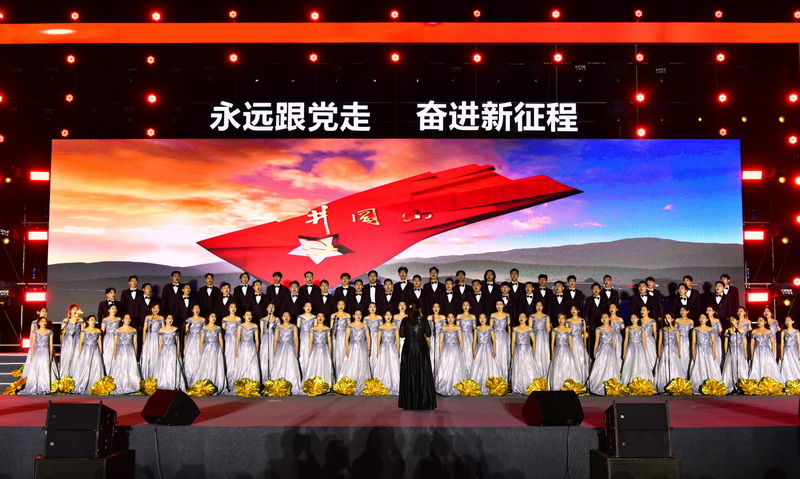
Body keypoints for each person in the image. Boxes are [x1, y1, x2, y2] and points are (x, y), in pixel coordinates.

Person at [398, 302, 436, 410]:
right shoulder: (423, 320)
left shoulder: (405, 320)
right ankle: (423, 401)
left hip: (409, 348)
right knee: (422, 373)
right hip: (420, 348)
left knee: (409, 373)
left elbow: (402, 334)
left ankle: (410, 402)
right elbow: (428, 334)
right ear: (419, 309)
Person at [19, 316, 56, 395]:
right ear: (38, 323)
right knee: (36, 368)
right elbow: (33, 344)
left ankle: (44, 386)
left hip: (45, 351)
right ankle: (34, 386)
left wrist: (51, 356)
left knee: (44, 368)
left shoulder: (49, 332)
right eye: (42, 321)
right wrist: (31, 355)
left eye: (45, 321)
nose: (44, 323)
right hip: (37, 352)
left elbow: (51, 344)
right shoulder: (35, 332)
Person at [689, 314, 722, 394]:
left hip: (708, 350)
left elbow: (713, 342)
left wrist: (714, 353)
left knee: (710, 366)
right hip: (699, 350)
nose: (701, 319)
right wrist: (693, 353)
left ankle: (711, 385)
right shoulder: (695, 329)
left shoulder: (710, 329)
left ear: (707, 319)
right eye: (700, 317)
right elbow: (693, 342)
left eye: (703, 318)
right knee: (699, 366)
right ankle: (698, 385)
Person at [435, 312, 466, 396]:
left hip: (456, 350)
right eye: (448, 317)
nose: (450, 319)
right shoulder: (443, 328)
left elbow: (461, 341)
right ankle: (444, 385)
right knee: (446, 367)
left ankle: (456, 386)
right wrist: (440, 352)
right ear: (446, 319)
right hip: (446, 349)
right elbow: (441, 341)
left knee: (456, 368)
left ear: (454, 318)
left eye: (452, 317)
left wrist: (461, 352)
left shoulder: (458, 328)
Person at [341, 309, 372, 395]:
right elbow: (346, 339)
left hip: (362, 347)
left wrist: (369, 349)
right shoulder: (350, 325)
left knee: (362, 365)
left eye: (360, 314)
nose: (358, 316)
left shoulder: (365, 325)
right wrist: (346, 350)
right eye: (356, 314)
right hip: (353, 347)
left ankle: (362, 384)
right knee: (351, 364)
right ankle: (351, 384)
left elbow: (368, 338)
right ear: (353, 316)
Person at [587, 313, 619, 395]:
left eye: (606, 317)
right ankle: (598, 385)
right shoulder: (599, 329)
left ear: (609, 318)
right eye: (602, 317)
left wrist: (615, 352)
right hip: (602, 350)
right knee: (600, 366)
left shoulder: (613, 329)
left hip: (610, 350)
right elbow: (596, 341)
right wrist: (594, 352)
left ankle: (610, 386)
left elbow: (613, 341)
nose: (604, 319)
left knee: (610, 367)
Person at [110, 314, 141, 395]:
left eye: (129, 318)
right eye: (126, 318)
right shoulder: (118, 330)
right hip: (120, 351)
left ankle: (132, 385)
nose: (128, 320)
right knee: (121, 367)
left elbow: (135, 343)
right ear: (122, 320)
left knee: (130, 367)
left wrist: (135, 353)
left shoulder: (133, 330)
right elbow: (115, 343)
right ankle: (120, 384)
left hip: (130, 350)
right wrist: (114, 353)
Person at [470, 313, 501, 395]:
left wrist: (494, 351)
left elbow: (494, 340)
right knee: (479, 366)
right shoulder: (477, 329)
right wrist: (474, 351)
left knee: (489, 365)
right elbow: (474, 341)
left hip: (488, 348)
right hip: (479, 348)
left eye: (483, 318)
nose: (482, 319)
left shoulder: (490, 328)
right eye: (480, 318)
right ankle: (478, 385)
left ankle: (491, 385)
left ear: (486, 319)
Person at [272, 312, 302, 394]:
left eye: (288, 316)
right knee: (280, 364)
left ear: (290, 318)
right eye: (284, 316)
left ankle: (292, 385)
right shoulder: (278, 327)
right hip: (281, 347)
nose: (286, 317)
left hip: (290, 347)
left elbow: (296, 339)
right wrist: (274, 350)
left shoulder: (294, 327)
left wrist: (297, 350)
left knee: (291, 364)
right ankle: (279, 385)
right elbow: (275, 340)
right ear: (282, 317)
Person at [74, 315, 104, 394]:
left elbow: (99, 342)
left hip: (95, 350)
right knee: (86, 366)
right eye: (91, 320)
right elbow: (81, 342)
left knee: (96, 366)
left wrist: (101, 352)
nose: (93, 321)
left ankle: (95, 385)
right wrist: (79, 352)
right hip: (86, 350)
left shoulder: (98, 331)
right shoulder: (84, 330)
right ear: (88, 321)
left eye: (94, 320)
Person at [197, 313, 226, 394]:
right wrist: (201, 351)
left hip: (216, 348)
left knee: (216, 365)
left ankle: (216, 383)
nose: (214, 318)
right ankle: (206, 383)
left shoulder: (218, 328)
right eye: (212, 316)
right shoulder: (204, 328)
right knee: (207, 365)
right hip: (207, 348)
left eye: (215, 317)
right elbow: (201, 341)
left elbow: (221, 340)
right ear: (208, 318)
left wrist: (222, 350)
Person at [548, 314, 578, 391]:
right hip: (558, 350)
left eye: (562, 318)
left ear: (565, 320)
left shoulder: (569, 330)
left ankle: (567, 385)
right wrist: (552, 353)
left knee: (567, 366)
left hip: (567, 350)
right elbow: (552, 343)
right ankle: (557, 385)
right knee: (558, 367)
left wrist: (572, 353)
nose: (561, 320)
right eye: (559, 318)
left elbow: (570, 342)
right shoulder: (554, 330)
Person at [155, 314, 185, 391]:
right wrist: (159, 353)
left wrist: (178, 352)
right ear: (165, 320)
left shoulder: (175, 329)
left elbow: (178, 342)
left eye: (171, 318)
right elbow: (160, 343)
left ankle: (173, 383)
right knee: (164, 366)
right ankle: (164, 383)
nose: (170, 320)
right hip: (164, 349)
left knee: (172, 366)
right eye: (168, 318)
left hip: (172, 349)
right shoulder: (161, 330)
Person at [654, 313, 682, 393]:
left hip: (673, 349)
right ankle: (663, 384)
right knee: (664, 365)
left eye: (668, 318)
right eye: (665, 318)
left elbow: (678, 341)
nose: (666, 319)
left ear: (672, 319)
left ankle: (674, 384)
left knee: (673, 365)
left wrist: (679, 351)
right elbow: (660, 341)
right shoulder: (662, 330)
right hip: (665, 349)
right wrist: (659, 351)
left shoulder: (676, 330)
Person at [621, 313, 653, 384]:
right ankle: (629, 381)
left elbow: (644, 340)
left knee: (640, 364)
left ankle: (640, 380)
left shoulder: (642, 328)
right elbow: (626, 340)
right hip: (630, 348)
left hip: (639, 348)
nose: (633, 319)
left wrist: (644, 350)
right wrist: (624, 351)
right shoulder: (628, 328)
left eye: (635, 318)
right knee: (630, 364)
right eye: (632, 318)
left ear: (638, 319)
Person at [374, 311, 401, 395]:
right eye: (386, 315)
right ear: (384, 316)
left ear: (392, 316)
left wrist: (398, 350)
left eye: (390, 315)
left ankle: (395, 385)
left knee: (393, 365)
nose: (388, 316)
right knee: (383, 365)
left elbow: (398, 340)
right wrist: (378, 351)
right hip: (383, 348)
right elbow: (378, 340)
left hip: (392, 348)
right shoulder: (381, 327)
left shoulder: (395, 326)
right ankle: (383, 385)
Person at [510, 313, 538, 395]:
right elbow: (513, 341)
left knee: (528, 366)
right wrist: (512, 351)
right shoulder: (515, 329)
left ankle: (529, 386)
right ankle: (518, 387)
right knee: (518, 367)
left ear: (526, 319)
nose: (521, 318)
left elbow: (534, 341)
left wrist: (533, 351)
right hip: (518, 350)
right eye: (520, 316)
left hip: (527, 350)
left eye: (523, 317)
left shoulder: (529, 328)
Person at [748, 316, 782, 382]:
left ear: (765, 322)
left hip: (766, 351)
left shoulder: (769, 331)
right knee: (757, 365)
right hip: (757, 351)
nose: (759, 322)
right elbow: (752, 344)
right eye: (758, 320)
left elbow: (773, 343)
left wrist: (773, 353)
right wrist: (752, 354)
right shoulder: (754, 331)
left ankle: (767, 381)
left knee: (767, 365)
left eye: (761, 320)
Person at [722, 316, 748, 392]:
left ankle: (741, 385)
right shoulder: (728, 330)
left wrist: (745, 352)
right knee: (730, 366)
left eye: (733, 320)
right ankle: (730, 386)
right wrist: (726, 352)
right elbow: (726, 342)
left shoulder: (741, 330)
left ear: (737, 321)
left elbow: (744, 342)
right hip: (731, 350)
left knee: (740, 365)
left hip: (739, 350)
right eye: (730, 320)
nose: (732, 321)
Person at [234, 311, 261, 383]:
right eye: (247, 315)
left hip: (251, 346)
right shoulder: (240, 326)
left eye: (250, 315)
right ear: (244, 316)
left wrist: (257, 349)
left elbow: (257, 339)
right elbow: (238, 338)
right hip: (242, 346)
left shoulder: (255, 326)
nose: (249, 316)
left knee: (252, 363)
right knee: (243, 363)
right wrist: (236, 349)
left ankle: (252, 381)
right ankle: (242, 382)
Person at [59, 304, 84, 379]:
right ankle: (65, 376)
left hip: (77, 340)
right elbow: (62, 333)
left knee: (76, 357)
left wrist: (82, 342)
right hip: (68, 340)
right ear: (70, 310)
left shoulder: (80, 320)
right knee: (67, 357)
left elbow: (83, 332)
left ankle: (75, 376)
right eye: (73, 309)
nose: (75, 311)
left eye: (76, 309)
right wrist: (62, 343)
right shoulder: (66, 320)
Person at [140, 304, 164, 380]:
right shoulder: (148, 317)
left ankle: (156, 376)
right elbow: (144, 329)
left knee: (156, 354)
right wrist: (144, 341)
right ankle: (147, 376)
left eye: (157, 308)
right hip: (149, 337)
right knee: (148, 355)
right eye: (154, 308)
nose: (156, 309)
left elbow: (163, 330)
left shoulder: (161, 318)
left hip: (157, 337)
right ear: (151, 309)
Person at [183, 305, 206, 386]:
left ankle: (198, 379)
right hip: (191, 340)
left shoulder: (203, 319)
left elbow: (204, 331)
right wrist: (185, 344)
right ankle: (189, 380)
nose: (197, 310)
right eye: (195, 308)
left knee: (199, 357)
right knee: (190, 359)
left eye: (198, 308)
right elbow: (186, 333)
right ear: (192, 310)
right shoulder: (189, 320)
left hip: (200, 339)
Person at [566, 305, 590, 384]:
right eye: (572, 309)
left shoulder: (582, 320)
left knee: (580, 358)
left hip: (579, 342)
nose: (573, 311)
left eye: (575, 309)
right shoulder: (568, 321)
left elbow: (584, 332)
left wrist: (585, 343)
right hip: (571, 341)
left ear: (578, 311)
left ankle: (581, 379)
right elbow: (566, 332)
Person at [222, 302, 242, 391]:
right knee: (227, 358)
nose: (233, 309)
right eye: (231, 307)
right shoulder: (225, 319)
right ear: (228, 308)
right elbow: (222, 332)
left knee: (235, 358)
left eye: (234, 307)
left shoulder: (238, 318)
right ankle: (227, 381)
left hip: (235, 339)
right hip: (227, 340)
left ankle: (234, 380)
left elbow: (239, 332)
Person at [490, 300, 511, 381]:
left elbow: (509, 327)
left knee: (504, 355)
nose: (498, 306)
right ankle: (495, 377)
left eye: (500, 304)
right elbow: (490, 328)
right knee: (496, 354)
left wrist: (509, 338)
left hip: (504, 336)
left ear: (503, 305)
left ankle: (504, 378)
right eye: (497, 304)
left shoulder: (507, 315)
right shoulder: (493, 315)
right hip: (495, 336)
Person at [530, 301, 552, 375]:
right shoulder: (531, 316)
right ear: (535, 306)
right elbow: (529, 329)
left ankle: (545, 374)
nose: (539, 307)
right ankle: (536, 373)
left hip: (544, 337)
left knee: (544, 353)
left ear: (543, 307)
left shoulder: (546, 316)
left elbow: (548, 330)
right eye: (537, 305)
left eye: (540, 305)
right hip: (535, 336)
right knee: (536, 352)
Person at [331, 300, 351, 380]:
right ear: (337, 306)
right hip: (336, 337)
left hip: (344, 336)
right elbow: (331, 328)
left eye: (343, 304)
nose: (341, 306)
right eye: (339, 304)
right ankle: (336, 375)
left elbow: (349, 327)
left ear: (345, 306)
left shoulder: (347, 315)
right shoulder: (333, 315)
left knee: (344, 352)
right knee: (336, 354)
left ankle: (344, 375)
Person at [259, 303, 279, 385]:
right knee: (264, 357)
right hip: (265, 339)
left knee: (273, 357)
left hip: (274, 339)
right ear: (267, 309)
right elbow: (261, 332)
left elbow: (278, 331)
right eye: (269, 307)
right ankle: (264, 379)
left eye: (273, 307)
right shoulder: (263, 320)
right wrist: (260, 343)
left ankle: (273, 379)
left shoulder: (277, 319)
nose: (271, 309)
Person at [100, 305, 121, 373]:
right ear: (108, 310)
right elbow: (102, 331)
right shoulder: (105, 319)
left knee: (117, 353)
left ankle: (116, 372)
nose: (114, 310)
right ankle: (107, 371)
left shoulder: (119, 319)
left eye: (115, 308)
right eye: (112, 308)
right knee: (108, 354)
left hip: (117, 337)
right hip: (108, 338)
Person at [297, 302, 317, 372]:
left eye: (310, 306)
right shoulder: (300, 317)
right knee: (302, 353)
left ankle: (310, 372)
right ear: (304, 308)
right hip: (302, 337)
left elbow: (315, 329)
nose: (308, 308)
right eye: (306, 306)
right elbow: (298, 329)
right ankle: (302, 371)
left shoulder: (314, 317)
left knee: (310, 352)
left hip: (311, 336)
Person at [675, 306, 694, 377]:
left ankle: (686, 374)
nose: (682, 312)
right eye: (681, 310)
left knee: (686, 356)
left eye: (683, 310)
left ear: (687, 312)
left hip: (687, 341)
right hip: (678, 339)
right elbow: (675, 331)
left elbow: (692, 333)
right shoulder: (677, 320)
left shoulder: (690, 321)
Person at [427, 303, 446, 374]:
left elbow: (445, 329)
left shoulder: (442, 317)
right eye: (434, 307)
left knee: (440, 354)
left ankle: (440, 374)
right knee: (431, 355)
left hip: (440, 338)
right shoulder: (429, 317)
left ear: (440, 308)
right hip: (432, 338)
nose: (436, 308)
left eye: (437, 307)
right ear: (432, 308)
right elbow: (427, 329)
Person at [780, 316, 800, 382]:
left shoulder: (796, 331)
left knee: (795, 364)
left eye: (789, 320)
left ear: (792, 321)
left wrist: (799, 353)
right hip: (786, 350)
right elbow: (782, 344)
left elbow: (799, 343)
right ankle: (786, 380)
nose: (787, 322)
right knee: (786, 365)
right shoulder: (783, 332)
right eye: (786, 320)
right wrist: (781, 354)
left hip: (794, 350)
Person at [364, 302, 383, 372]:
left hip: (377, 337)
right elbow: (364, 330)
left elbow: (381, 329)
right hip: (368, 337)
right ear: (368, 309)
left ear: (376, 308)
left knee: (376, 353)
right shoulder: (366, 318)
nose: (372, 308)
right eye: (370, 307)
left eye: (374, 307)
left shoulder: (379, 317)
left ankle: (377, 372)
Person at [640, 305, 658, 371]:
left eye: (644, 310)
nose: (642, 311)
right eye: (641, 310)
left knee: (651, 356)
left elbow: (655, 333)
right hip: (640, 339)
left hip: (650, 340)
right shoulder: (639, 320)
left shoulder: (652, 321)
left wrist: (656, 343)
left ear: (648, 311)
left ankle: (651, 371)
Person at [608, 303, 625, 371]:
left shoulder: (620, 319)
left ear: (616, 309)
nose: (611, 309)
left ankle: (619, 369)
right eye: (610, 307)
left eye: (613, 307)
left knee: (618, 352)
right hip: (609, 338)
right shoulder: (607, 318)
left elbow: (623, 330)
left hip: (618, 338)